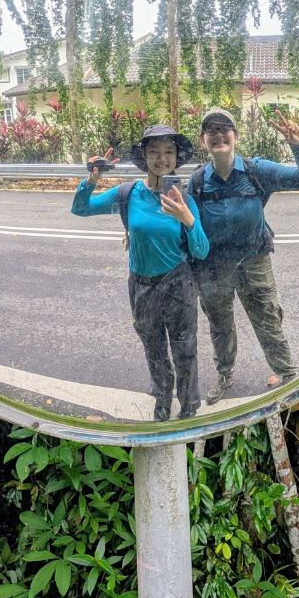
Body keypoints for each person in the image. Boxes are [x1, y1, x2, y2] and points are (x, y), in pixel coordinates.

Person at [71, 125, 209, 422]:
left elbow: (201, 250)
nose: (162, 159)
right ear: (144, 157)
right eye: (155, 152)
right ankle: (162, 399)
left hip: (178, 283)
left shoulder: (184, 198)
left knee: (185, 350)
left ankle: (188, 406)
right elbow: (80, 209)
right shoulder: (128, 194)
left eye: (169, 152)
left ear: (176, 159)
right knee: (154, 348)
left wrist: (187, 219)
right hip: (141, 285)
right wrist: (92, 179)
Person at [189, 106, 299, 404]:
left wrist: (298, 145)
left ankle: (288, 377)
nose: (219, 134)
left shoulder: (256, 170)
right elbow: (185, 223)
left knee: (268, 319)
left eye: (225, 129)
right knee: (220, 325)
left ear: (236, 136)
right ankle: (224, 376)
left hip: (254, 262)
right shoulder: (196, 182)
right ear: (203, 141)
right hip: (213, 267)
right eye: (211, 130)